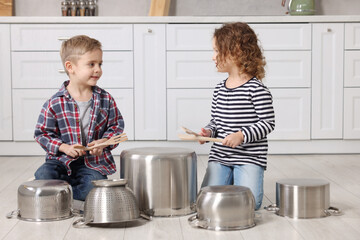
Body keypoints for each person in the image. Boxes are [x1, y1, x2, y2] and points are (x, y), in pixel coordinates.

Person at [34, 35, 124, 201]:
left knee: (93, 187)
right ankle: (63, 191)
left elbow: (116, 127)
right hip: (60, 161)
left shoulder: (105, 99)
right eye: (91, 64)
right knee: (43, 174)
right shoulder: (54, 103)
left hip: (91, 162)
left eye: (100, 64)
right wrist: (64, 147)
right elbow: (42, 134)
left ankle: (62, 195)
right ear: (70, 67)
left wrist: (103, 143)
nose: (98, 69)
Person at [198, 22, 275, 210]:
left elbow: (268, 123)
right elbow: (217, 121)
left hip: (249, 157)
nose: (213, 57)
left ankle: (234, 182)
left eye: (217, 51)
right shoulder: (219, 89)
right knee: (205, 201)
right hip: (221, 156)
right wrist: (208, 131)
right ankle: (230, 181)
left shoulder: (257, 89)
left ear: (235, 51)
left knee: (251, 204)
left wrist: (241, 135)